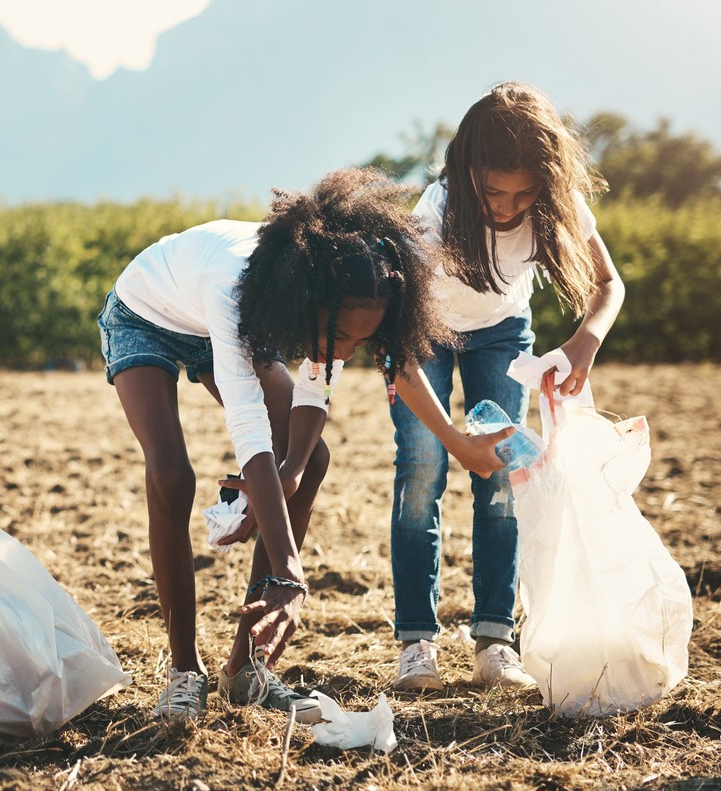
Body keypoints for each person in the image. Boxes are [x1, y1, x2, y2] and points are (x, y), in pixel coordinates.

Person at [100, 168, 455, 722]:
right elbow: (248, 426)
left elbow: (315, 393)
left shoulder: (341, 304)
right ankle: (183, 672)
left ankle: (246, 668)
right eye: (341, 338)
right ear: (310, 301)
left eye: (362, 340)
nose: (348, 350)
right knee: (172, 476)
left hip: (230, 324)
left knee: (312, 457)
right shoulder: (239, 287)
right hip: (148, 314)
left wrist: (288, 476)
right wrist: (289, 571)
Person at [386, 82, 625, 692]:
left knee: (502, 481)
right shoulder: (435, 215)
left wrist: (584, 342)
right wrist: (452, 440)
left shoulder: (560, 203)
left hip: (502, 335)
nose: (506, 206)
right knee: (421, 471)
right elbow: (398, 346)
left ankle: (495, 639)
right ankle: (418, 643)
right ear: (468, 174)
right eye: (493, 191)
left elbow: (609, 286)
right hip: (425, 335)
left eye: (524, 194)